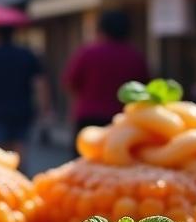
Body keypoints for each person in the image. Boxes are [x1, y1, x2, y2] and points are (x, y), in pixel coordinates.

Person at [63, 10, 149, 144]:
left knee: (85, 161)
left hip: (88, 117)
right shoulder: (135, 56)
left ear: (101, 29)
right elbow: (143, 88)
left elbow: (71, 82)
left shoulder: (88, 53)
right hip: (123, 120)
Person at [0, 26, 51, 155]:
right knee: (19, 151)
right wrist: (44, 108)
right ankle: (19, 173)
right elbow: (40, 83)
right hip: (22, 110)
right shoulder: (26, 54)